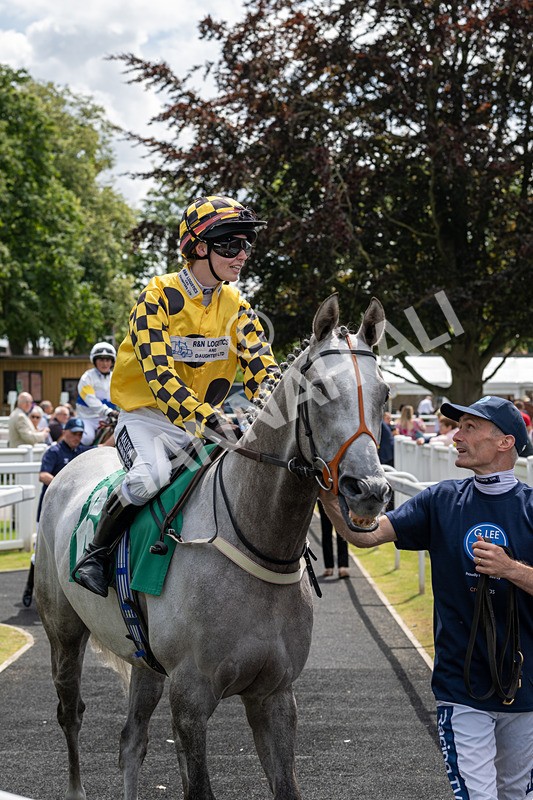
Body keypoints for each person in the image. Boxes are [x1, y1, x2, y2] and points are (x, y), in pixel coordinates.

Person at [321, 396, 533, 799]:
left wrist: (511, 570)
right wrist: (328, 495)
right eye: (458, 427)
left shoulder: (530, 507)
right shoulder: (441, 500)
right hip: (461, 687)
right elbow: (366, 535)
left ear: (505, 442)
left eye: (470, 428)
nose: (456, 436)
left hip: (527, 686)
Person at [73, 194, 281, 597]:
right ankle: (95, 552)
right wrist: (209, 418)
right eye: (232, 245)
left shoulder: (238, 306)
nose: (242, 255)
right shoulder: (155, 297)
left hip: (203, 426)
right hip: (148, 418)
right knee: (151, 477)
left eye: (246, 246)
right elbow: (160, 377)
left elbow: (262, 368)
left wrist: (276, 401)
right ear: (199, 247)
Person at [22, 417, 92, 607]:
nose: (77, 438)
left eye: (80, 434)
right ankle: (29, 589)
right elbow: (43, 474)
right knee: (39, 553)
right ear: (65, 431)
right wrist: (63, 486)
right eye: (74, 433)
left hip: (70, 512)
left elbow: (102, 446)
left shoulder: (81, 452)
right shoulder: (53, 451)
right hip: (50, 511)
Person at [76, 342, 119, 445]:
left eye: (107, 360)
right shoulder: (87, 378)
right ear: (94, 361)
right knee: (87, 438)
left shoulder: (116, 377)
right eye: (101, 360)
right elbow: (91, 400)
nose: (104, 363)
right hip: (88, 419)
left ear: (112, 362)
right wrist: (109, 412)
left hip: (108, 419)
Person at [318, 500, 349, 579]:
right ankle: (329, 566)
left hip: (340, 498)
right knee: (326, 532)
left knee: (341, 532)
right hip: (323, 499)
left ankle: (342, 566)